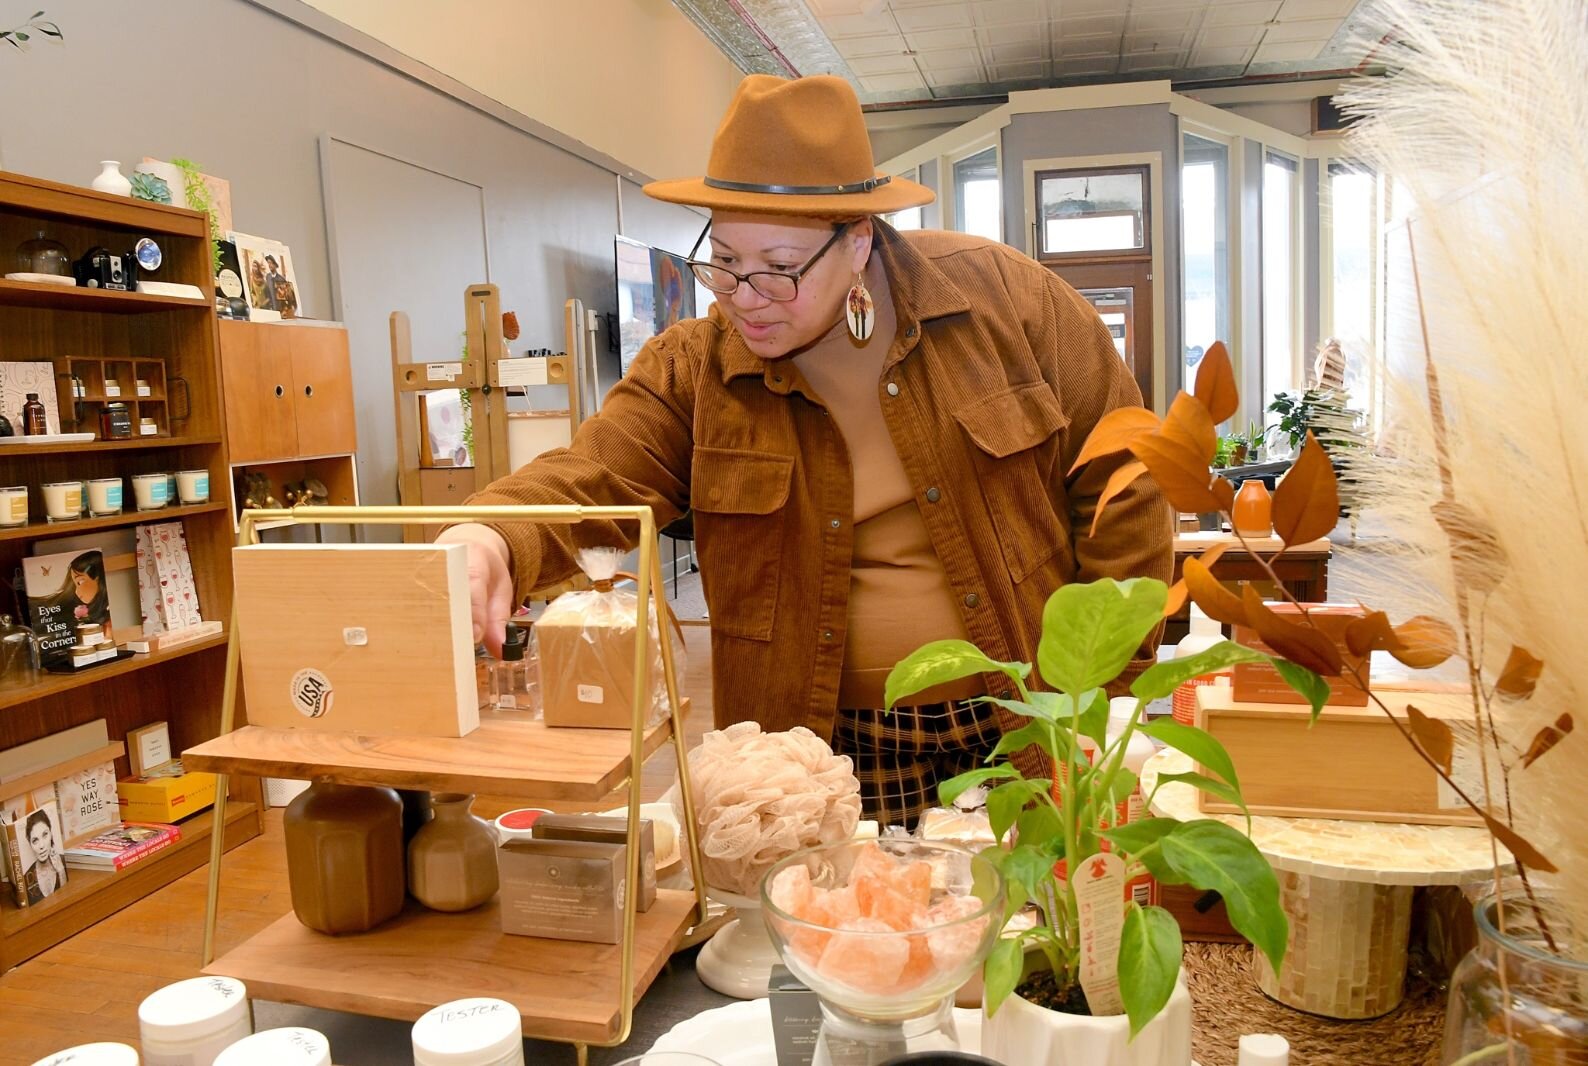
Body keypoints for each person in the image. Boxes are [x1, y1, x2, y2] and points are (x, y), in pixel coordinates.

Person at [439, 75, 1171, 826]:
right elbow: (591, 476)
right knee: (844, 933)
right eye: (722, 261)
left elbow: (1128, 485)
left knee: (1038, 929)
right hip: (822, 752)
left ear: (857, 241)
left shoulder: (1007, 306)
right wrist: (489, 535)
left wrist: (1105, 693)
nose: (743, 295)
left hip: (1031, 721)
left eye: (779, 268)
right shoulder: (697, 369)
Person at [22, 809, 66, 904]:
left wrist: (61, 871)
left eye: (45, 835)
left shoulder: (64, 861)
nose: (41, 846)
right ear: (30, 843)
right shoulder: (25, 879)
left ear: (51, 833)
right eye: (35, 840)